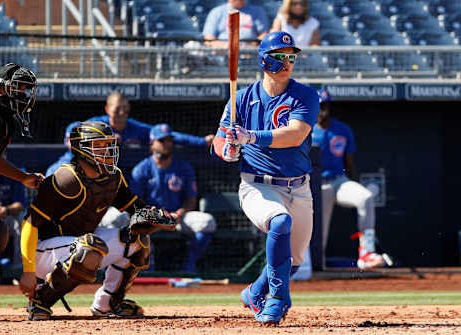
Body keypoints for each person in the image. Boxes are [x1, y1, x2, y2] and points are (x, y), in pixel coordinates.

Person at [18, 121, 175, 321]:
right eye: (98, 145)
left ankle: (108, 303)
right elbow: (29, 223)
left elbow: (137, 209)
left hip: (81, 243)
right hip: (43, 251)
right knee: (89, 248)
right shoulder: (66, 179)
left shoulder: (113, 176)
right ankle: (40, 300)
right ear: (80, 149)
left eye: (108, 144)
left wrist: (159, 217)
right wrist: (28, 271)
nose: (107, 150)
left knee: (136, 241)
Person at [213, 32, 319, 325]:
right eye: (279, 56)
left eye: (291, 57)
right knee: (280, 221)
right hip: (257, 184)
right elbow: (219, 142)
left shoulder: (306, 95)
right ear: (264, 60)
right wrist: (229, 150)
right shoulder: (241, 99)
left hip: (298, 186)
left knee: (295, 261)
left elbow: (295, 134)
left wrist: (250, 136)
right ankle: (277, 299)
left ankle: (254, 293)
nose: (286, 62)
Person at [0, 63, 42, 310]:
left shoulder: (2, 117)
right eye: (18, 88)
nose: (24, 95)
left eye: (26, 89)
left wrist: (23, 178)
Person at [46, 92, 214, 176]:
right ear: (107, 109)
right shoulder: (97, 124)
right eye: (117, 109)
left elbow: (165, 134)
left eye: (125, 109)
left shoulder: (133, 127)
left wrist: (201, 141)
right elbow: (73, 133)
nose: (121, 113)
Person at [312, 89, 388, 270]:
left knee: (365, 197)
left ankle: (367, 253)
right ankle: (313, 269)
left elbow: (349, 162)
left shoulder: (342, 130)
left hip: (338, 180)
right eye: (320, 106)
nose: (324, 110)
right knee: (318, 238)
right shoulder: (305, 129)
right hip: (316, 185)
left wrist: (353, 181)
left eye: (326, 105)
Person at [130, 124, 217, 273]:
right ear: (152, 143)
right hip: (151, 218)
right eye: (162, 140)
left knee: (207, 222)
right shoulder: (141, 169)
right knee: (131, 224)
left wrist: (180, 212)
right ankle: (147, 268)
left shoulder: (183, 167)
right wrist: (154, 215)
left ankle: (189, 267)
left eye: (169, 140)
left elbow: (191, 199)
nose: (167, 144)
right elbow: (134, 204)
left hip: (176, 217)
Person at [0, 156, 29, 269]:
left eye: (2, 156)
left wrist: (5, 210)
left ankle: (19, 268)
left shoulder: (12, 173)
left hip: (6, 216)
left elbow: (20, 204)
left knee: (22, 220)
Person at [203, 0, 269, 48]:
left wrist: (250, 46)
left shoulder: (258, 11)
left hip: (250, 56)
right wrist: (226, 47)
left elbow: (264, 34)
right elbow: (208, 38)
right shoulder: (216, 12)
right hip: (223, 57)